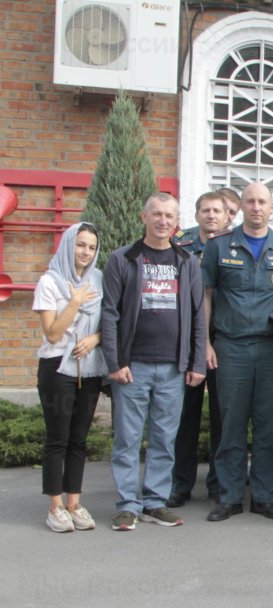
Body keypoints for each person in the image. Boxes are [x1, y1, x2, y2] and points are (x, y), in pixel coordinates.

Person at [201, 182, 273, 522]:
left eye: (263, 201)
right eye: (250, 201)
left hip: (272, 347)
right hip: (230, 347)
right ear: (241, 207)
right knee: (231, 424)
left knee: (267, 424)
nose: (257, 207)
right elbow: (205, 297)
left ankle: (264, 496)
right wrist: (204, 342)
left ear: (272, 206)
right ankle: (230, 496)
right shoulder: (219, 247)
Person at [101, 193, 206, 531]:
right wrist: (115, 361)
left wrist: (197, 361)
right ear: (143, 216)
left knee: (164, 438)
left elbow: (197, 315)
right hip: (133, 366)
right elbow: (109, 313)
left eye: (169, 216)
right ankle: (128, 504)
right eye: (156, 214)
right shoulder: (123, 259)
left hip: (173, 368)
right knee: (127, 439)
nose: (163, 221)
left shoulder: (187, 261)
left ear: (176, 222)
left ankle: (155, 502)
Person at [33, 222, 108, 532]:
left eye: (91, 247)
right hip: (57, 368)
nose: (86, 252)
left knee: (78, 439)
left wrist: (95, 339)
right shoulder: (49, 282)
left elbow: (109, 322)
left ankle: (74, 503)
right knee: (58, 439)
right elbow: (52, 334)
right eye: (80, 245)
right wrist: (75, 301)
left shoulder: (98, 279)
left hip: (88, 368)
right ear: (68, 245)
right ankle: (55, 507)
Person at [169, 191, 228, 508]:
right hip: (185, 341)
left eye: (216, 210)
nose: (210, 215)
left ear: (226, 216)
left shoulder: (234, 246)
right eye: (205, 210)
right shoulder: (181, 246)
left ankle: (218, 483)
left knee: (221, 416)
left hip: (222, 341)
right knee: (184, 416)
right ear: (197, 214)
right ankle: (180, 483)